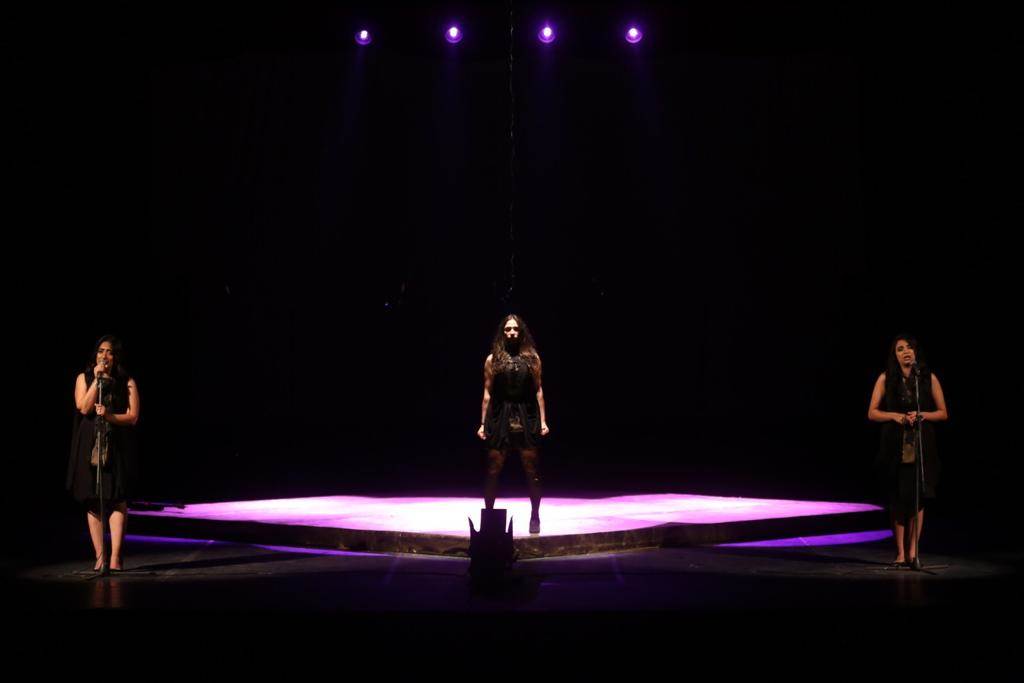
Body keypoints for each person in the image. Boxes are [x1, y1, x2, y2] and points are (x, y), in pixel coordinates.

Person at [867, 335, 947, 568]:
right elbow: (872, 413)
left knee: (918, 498)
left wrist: (922, 415)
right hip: (895, 445)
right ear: (895, 355)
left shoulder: (928, 378)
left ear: (915, 352)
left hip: (921, 444)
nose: (906, 352)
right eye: (900, 349)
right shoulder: (885, 378)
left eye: (909, 347)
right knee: (898, 498)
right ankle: (900, 552)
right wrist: (896, 416)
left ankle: (913, 552)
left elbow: (943, 413)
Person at [67, 335, 140, 572]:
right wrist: (96, 381)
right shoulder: (84, 377)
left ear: (115, 357)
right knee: (93, 499)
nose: (104, 356)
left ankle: (116, 557)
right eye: (101, 351)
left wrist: (109, 416)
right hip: (90, 442)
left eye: (109, 352)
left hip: (116, 442)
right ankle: (100, 557)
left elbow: (133, 416)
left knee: (117, 497)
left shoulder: (126, 381)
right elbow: (83, 407)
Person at [477, 314, 550, 534]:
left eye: (515, 329)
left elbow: (538, 390)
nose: (511, 332)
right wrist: (482, 423)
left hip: (526, 415)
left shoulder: (533, 359)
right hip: (500, 415)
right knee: (493, 469)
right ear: (503, 332)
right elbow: (487, 393)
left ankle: (535, 515)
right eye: (508, 329)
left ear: (521, 332)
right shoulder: (492, 360)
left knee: (532, 469)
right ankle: (489, 518)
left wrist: (543, 421)